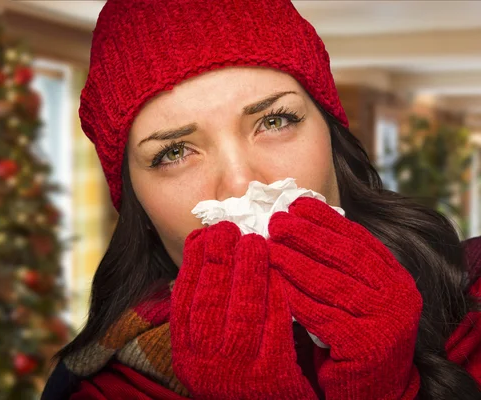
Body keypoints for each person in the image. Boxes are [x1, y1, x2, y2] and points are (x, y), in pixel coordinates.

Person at [41, 0, 481, 398]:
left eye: (274, 121)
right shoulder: (101, 391)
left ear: (331, 136)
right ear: (139, 203)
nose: (239, 183)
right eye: (173, 152)